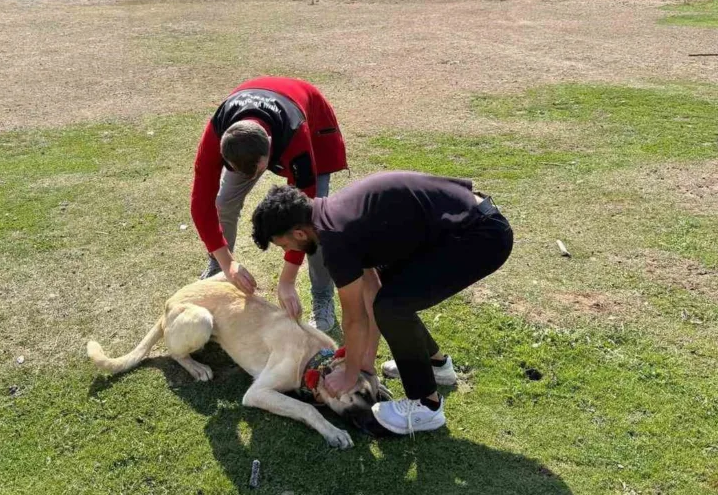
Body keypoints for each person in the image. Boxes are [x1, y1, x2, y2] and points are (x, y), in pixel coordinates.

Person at [249, 171, 513, 435]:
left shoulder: (334, 237)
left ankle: (426, 405)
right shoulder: (332, 216)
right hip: (469, 223)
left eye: (284, 245)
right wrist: (365, 364)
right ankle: (436, 365)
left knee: (393, 306)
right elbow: (372, 292)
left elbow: (354, 319)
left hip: (480, 236)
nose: (288, 252)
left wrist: (350, 375)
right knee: (389, 296)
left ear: (299, 233)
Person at [191, 77, 348, 331]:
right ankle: (217, 267)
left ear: (271, 150)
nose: (251, 178)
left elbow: (304, 218)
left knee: (317, 224)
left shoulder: (295, 135)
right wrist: (227, 262)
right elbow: (202, 204)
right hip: (252, 137)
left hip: (310, 123)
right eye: (238, 170)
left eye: (258, 170)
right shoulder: (219, 132)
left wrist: (287, 280)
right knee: (224, 202)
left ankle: (322, 295)